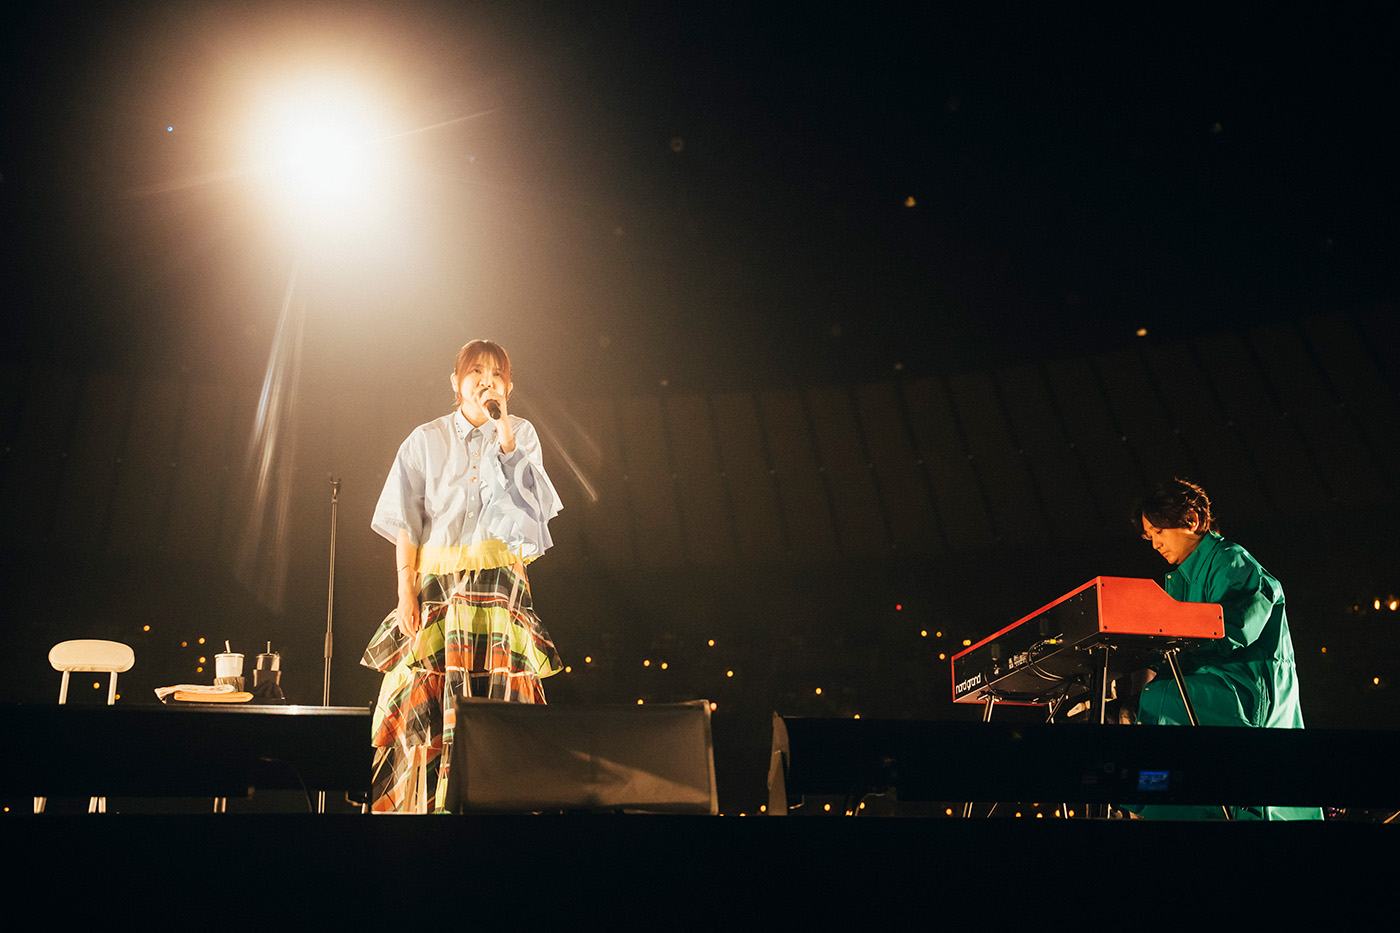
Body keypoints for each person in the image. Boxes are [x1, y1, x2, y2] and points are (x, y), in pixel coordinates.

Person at [361, 339, 563, 813]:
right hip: (438, 587)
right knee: (425, 703)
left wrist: (504, 432)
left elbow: (534, 512)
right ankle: (423, 814)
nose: (486, 381)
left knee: (499, 713)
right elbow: (406, 522)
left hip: (500, 589)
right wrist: (405, 589)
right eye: (476, 371)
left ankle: (494, 816)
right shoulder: (424, 440)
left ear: (509, 387)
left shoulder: (521, 434)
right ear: (456, 382)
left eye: (497, 374)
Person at [1130, 478, 1321, 820]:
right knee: (1136, 704)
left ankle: (1146, 800)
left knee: (1159, 699)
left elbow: (1236, 628)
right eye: (1149, 536)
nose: (1155, 543)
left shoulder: (1231, 560)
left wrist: (1167, 653)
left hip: (1245, 686)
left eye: (1158, 531)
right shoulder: (1181, 579)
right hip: (1213, 682)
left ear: (1191, 520)